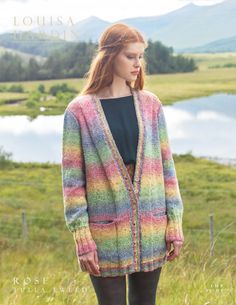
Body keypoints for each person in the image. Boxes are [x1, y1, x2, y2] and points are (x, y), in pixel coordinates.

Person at [61, 22, 184, 305]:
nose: (138, 63)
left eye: (141, 56)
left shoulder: (150, 105)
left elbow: (167, 167)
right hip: (104, 234)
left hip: (152, 227)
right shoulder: (79, 112)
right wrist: (82, 237)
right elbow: (72, 183)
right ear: (109, 56)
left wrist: (174, 222)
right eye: (130, 56)